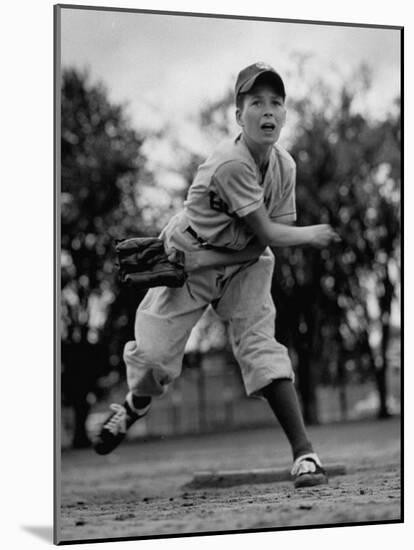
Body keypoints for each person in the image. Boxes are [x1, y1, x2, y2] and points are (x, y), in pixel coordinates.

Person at [93, 62, 340, 488]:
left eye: (276, 103)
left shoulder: (285, 167)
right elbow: (268, 231)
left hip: (242, 263)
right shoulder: (230, 163)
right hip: (186, 257)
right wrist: (310, 235)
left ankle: (304, 453)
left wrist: (243, 253)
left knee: (261, 346)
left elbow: (263, 243)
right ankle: (135, 405)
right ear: (238, 115)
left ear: (284, 113)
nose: (268, 111)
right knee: (152, 360)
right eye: (256, 102)